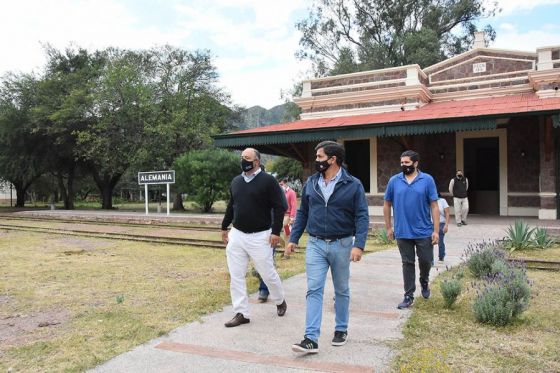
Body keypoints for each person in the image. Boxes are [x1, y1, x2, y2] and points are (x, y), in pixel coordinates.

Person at [285, 141, 369, 354]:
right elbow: (303, 212)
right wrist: (293, 238)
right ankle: (310, 338)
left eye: (320, 157)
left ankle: (341, 328)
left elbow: (361, 215)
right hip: (315, 244)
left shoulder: (353, 184)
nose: (317, 161)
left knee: (341, 289)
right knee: (313, 289)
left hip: (342, 243)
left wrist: (358, 245)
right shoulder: (312, 182)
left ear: (333, 159)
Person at [221, 148, 288, 327]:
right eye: (242, 157)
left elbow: (280, 206)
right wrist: (224, 226)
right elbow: (231, 206)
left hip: (260, 236)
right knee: (236, 275)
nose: (244, 161)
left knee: (267, 273)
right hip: (237, 235)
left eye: (248, 158)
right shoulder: (236, 181)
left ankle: (280, 300)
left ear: (257, 162)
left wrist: (275, 232)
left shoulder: (268, 181)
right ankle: (241, 312)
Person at [383, 150, 439, 310]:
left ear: (415, 163)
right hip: (402, 231)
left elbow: (434, 206)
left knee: (426, 260)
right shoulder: (394, 181)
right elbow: (387, 204)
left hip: (424, 231)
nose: (403, 165)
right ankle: (408, 295)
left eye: (406, 163)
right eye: (401, 163)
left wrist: (436, 231)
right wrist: (388, 227)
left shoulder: (427, 180)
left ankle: (424, 280)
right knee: (407, 263)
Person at [258, 178, 297, 302]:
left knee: (268, 261)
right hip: (251, 231)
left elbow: (283, 207)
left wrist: (275, 230)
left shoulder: (278, 190)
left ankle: (265, 290)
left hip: (270, 228)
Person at [436, 192, 450, 262]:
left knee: (440, 241)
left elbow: (447, 213)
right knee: (428, 242)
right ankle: (430, 259)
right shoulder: (428, 201)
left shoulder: (442, 201)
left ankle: (441, 256)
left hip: (441, 223)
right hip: (430, 224)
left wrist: (446, 225)